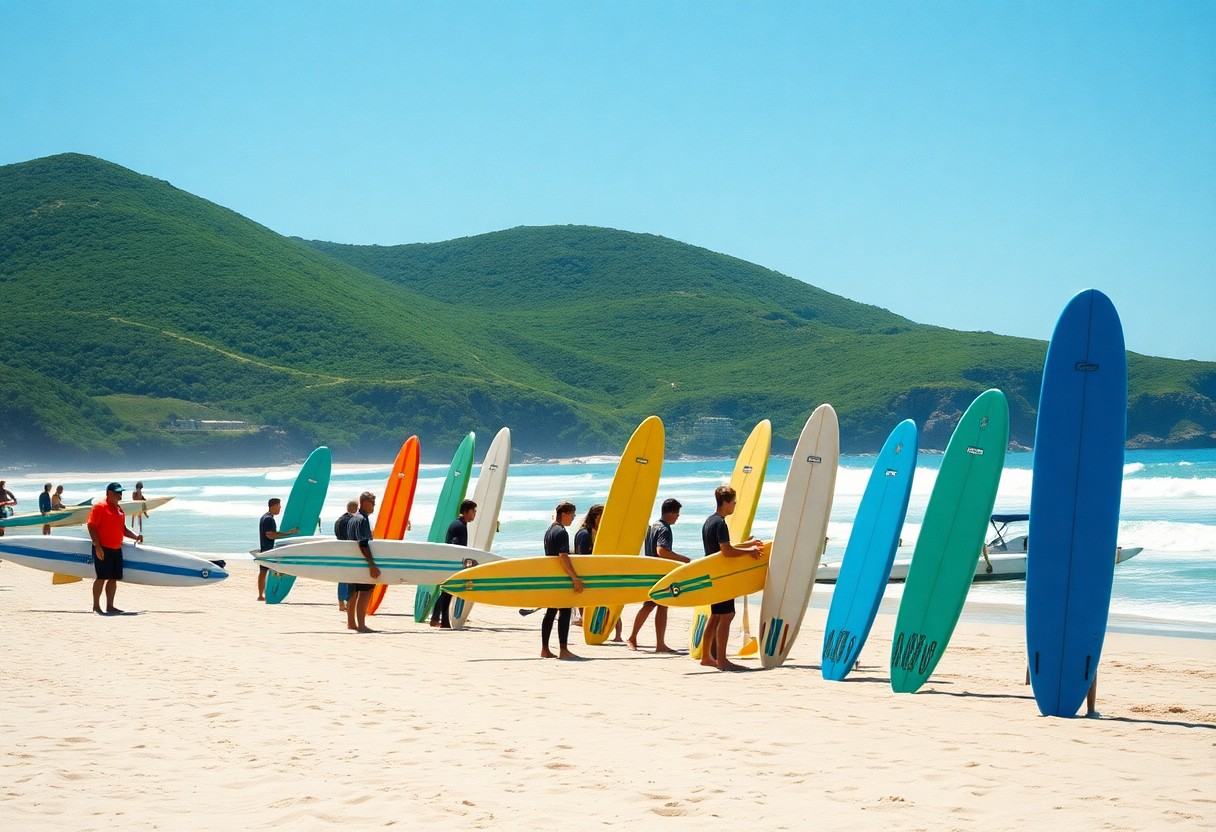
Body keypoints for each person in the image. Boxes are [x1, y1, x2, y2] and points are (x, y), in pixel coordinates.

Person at [700, 485, 764, 671]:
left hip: (713, 574)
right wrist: (749, 551)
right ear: (725, 502)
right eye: (733, 503)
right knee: (727, 615)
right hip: (723, 577)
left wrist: (746, 544)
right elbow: (726, 552)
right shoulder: (720, 523)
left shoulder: (709, 521)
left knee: (716, 615)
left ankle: (706, 657)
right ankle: (722, 660)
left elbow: (721, 548)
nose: (734, 506)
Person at [627, 498, 690, 653]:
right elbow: (662, 551)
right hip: (659, 573)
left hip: (651, 571)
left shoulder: (654, 525)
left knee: (653, 605)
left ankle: (653, 642)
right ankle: (639, 639)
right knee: (656, 605)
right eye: (677, 513)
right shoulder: (664, 528)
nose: (678, 517)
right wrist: (685, 560)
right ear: (670, 512)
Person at [85, 482, 143, 614]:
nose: (120, 495)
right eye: (117, 493)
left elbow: (123, 529)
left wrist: (136, 537)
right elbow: (91, 526)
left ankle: (110, 606)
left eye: (121, 493)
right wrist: (97, 546)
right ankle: (96, 606)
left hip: (116, 549)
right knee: (101, 577)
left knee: (113, 578)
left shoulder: (119, 509)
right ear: (109, 494)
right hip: (103, 548)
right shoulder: (100, 507)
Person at [541, 500, 584, 659]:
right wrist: (575, 578)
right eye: (572, 516)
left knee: (551, 612)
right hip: (561, 578)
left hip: (552, 578)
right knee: (565, 612)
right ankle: (563, 649)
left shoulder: (550, 530)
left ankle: (545, 649)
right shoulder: (561, 532)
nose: (572, 519)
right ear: (564, 514)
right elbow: (563, 557)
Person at [431, 499, 477, 629]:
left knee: (447, 592)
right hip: (453, 563)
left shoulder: (459, 524)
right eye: (473, 511)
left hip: (451, 562)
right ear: (467, 511)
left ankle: (437, 620)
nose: (474, 514)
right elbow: (455, 546)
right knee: (448, 592)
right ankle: (442, 622)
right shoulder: (459, 526)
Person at [345, 491, 382, 633]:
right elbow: (363, 543)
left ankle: (351, 623)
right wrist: (372, 564)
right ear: (365, 503)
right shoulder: (363, 519)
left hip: (353, 561)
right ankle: (361, 625)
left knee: (354, 592)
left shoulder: (352, 518)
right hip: (362, 561)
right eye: (373, 503)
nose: (374, 506)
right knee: (365, 592)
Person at [257, 498, 299, 601]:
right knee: (272, 571)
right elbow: (270, 535)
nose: (280, 509)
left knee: (263, 572)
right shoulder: (269, 519)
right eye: (279, 507)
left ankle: (261, 595)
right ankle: (267, 593)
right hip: (269, 550)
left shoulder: (264, 517)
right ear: (273, 506)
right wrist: (288, 533)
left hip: (264, 548)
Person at [570, 504, 603, 629]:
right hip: (585, 571)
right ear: (596, 517)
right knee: (584, 598)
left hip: (596, 571)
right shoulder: (584, 533)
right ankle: (585, 621)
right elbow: (582, 557)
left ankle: (587, 621)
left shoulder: (599, 532)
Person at [335, 499, 358, 612]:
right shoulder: (352, 521)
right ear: (355, 509)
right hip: (350, 552)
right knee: (350, 579)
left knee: (342, 578)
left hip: (340, 551)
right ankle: (348, 603)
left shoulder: (339, 520)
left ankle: (341, 604)